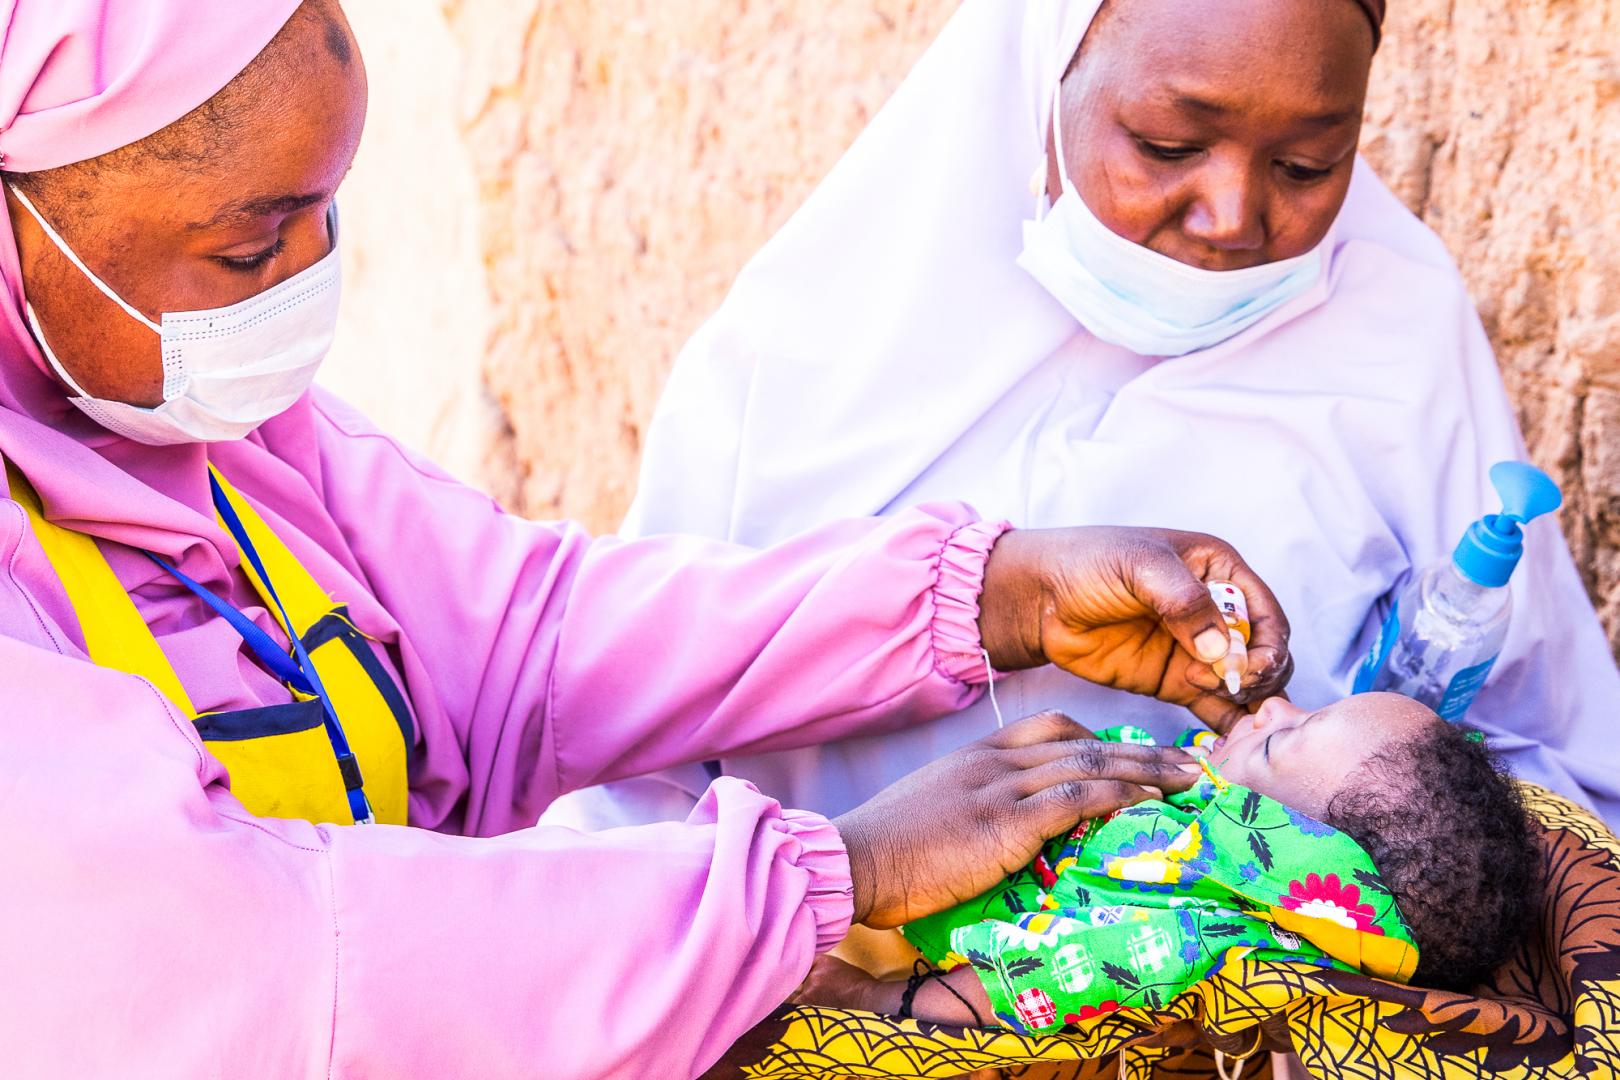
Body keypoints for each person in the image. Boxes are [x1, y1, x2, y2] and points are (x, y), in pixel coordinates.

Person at [0, 3, 1300, 1077]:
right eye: (246, 247)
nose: (303, 278)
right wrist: (822, 877)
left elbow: (521, 645)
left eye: (325, 215)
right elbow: (262, 961)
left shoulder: (228, 447)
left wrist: (983, 596)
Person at [563, 0, 1620, 835]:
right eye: (1167, 144)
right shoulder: (809, 341)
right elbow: (626, 736)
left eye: (1307, 165)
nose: (1234, 215)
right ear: (1045, 68)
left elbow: (1553, 763)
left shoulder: (1398, 333)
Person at [795, 694, 1539, 1031]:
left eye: (1283, 742)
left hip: (907, 934)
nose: (1275, 708)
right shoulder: (1217, 829)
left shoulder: (1204, 935)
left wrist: (869, 1000)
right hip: (919, 845)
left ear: (1302, 854)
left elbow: (1040, 982)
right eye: (1313, 706)